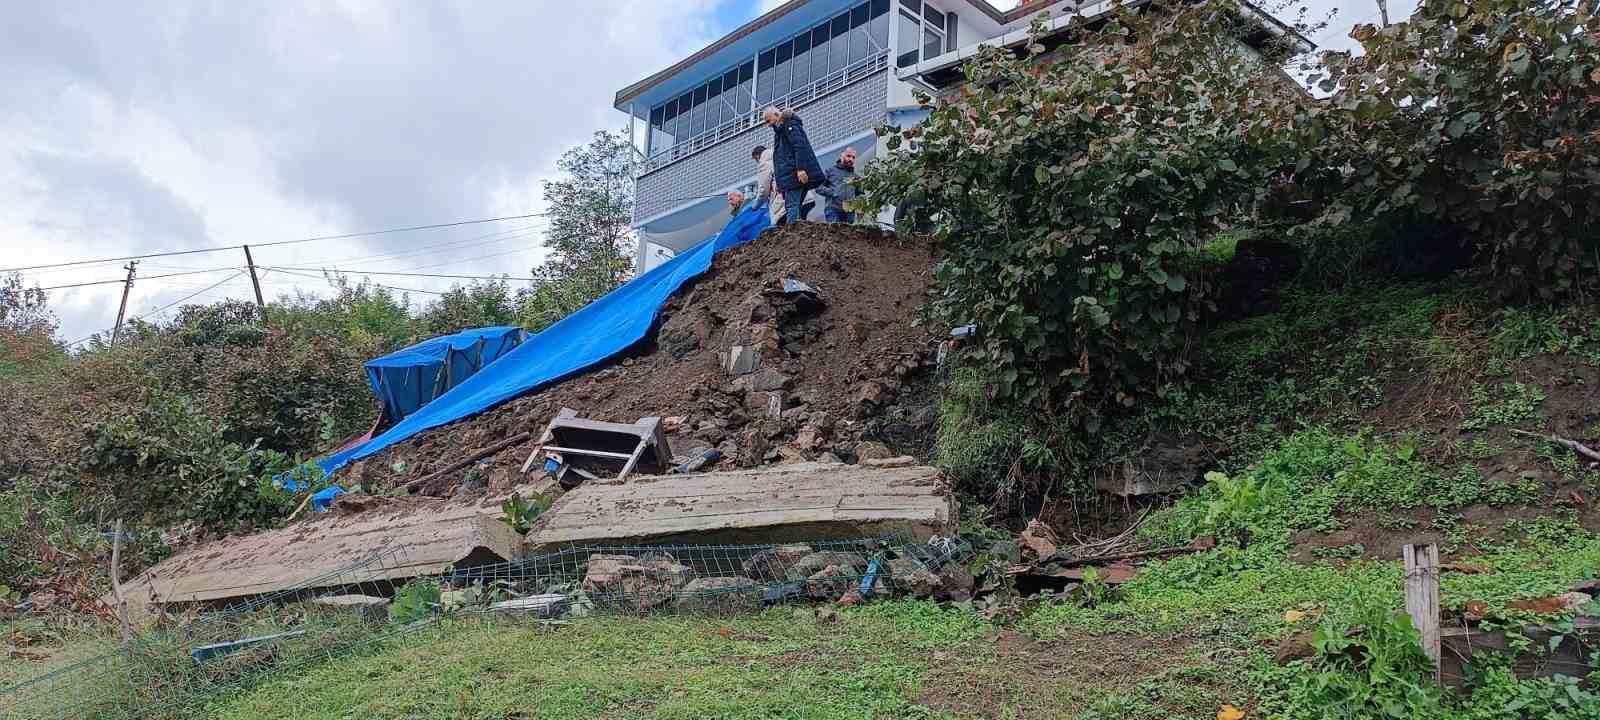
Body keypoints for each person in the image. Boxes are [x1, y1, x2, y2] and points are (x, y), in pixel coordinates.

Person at [764, 106, 823, 225]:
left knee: (792, 206)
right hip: (790, 176)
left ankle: (793, 234)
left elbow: (800, 147)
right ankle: (797, 233)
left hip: (793, 176)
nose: (768, 125)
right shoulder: (780, 131)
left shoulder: (789, 126)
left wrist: (801, 169)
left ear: (776, 114)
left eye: (768, 121)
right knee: (794, 206)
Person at [817, 146, 859, 224]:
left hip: (850, 212)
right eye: (848, 156)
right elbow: (818, 187)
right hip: (833, 209)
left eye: (853, 157)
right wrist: (833, 193)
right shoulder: (830, 171)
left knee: (848, 235)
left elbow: (859, 194)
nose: (851, 159)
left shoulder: (856, 177)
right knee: (833, 234)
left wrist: (857, 206)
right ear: (842, 156)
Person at [752, 144, 786, 226]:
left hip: (782, 202)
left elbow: (763, 190)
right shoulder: (780, 156)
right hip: (803, 197)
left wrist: (755, 206)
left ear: (757, 156)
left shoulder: (764, 164)